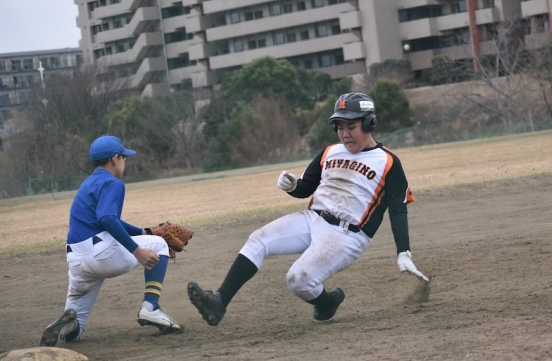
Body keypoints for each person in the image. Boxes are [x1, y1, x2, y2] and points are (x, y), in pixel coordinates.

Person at [187, 92, 428, 326]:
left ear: (369, 123)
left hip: (347, 235)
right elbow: (305, 188)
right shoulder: (330, 152)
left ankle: (327, 302)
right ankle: (219, 301)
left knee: (298, 280)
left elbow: (398, 209)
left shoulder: (387, 162)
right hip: (312, 218)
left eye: (351, 126)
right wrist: (292, 186)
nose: (344, 134)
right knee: (258, 240)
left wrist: (403, 252)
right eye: (339, 127)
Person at [39, 135, 182, 347]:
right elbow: (107, 219)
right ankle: (151, 307)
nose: (124, 162)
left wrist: (142, 231)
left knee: (77, 331)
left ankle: (69, 326)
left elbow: (105, 219)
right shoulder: (113, 183)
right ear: (115, 159)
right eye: (124, 158)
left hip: (77, 260)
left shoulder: (87, 184)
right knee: (159, 244)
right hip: (101, 254)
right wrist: (136, 250)